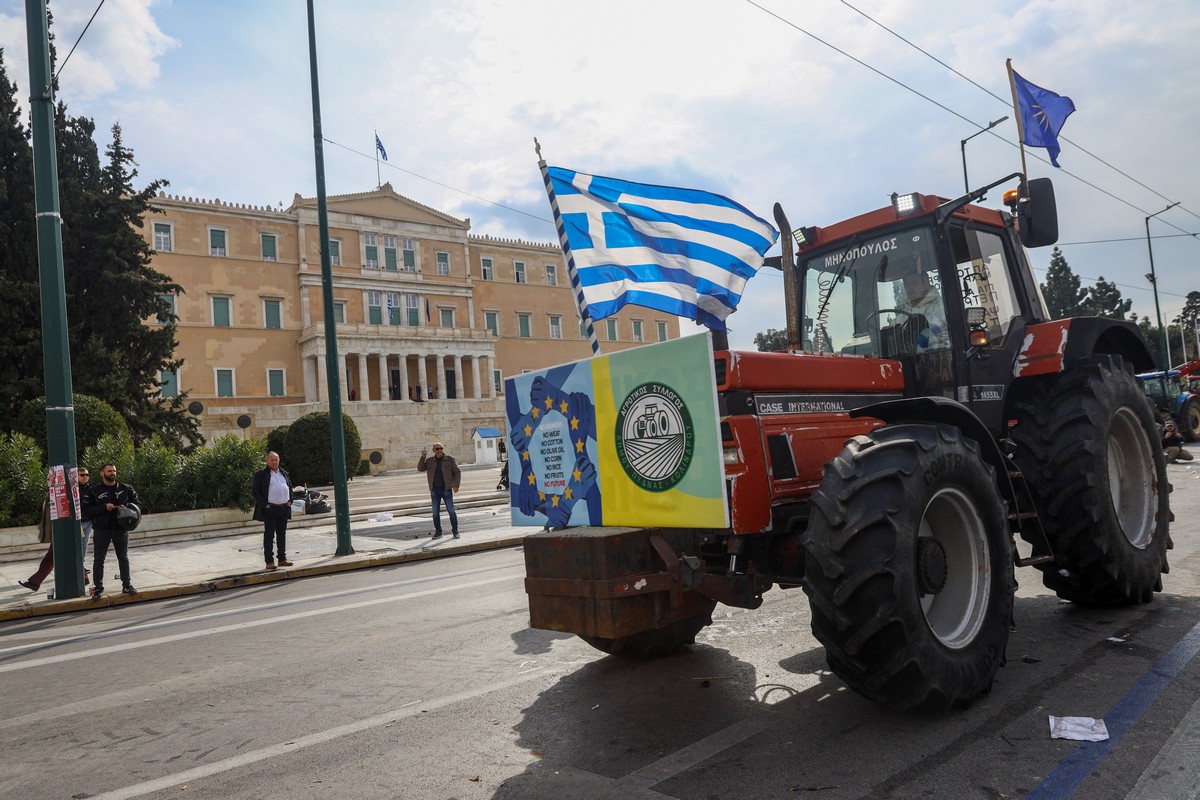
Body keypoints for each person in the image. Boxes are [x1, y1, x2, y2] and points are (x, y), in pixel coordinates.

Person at [84, 462, 140, 598]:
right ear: (102, 473)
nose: (112, 473)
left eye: (114, 471)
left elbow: (137, 505)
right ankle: (98, 588)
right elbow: (86, 510)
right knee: (99, 559)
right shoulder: (94, 490)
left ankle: (126, 585)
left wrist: (125, 507)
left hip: (121, 529)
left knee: (123, 557)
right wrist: (104, 507)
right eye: (109, 471)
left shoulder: (126, 488)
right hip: (101, 529)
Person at [252, 451, 294, 570]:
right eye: (272, 460)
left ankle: (282, 558)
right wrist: (265, 505)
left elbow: (290, 487)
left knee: (282, 534)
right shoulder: (261, 474)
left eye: (276, 460)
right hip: (270, 508)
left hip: (283, 508)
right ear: (267, 461)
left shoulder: (284, 473)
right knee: (269, 535)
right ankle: (269, 561)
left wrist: (290, 500)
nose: (274, 462)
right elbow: (256, 492)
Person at [417, 442, 461, 539]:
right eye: (437, 449)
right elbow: (420, 468)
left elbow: (457, 472)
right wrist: (423, 457)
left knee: (451, 511)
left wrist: (456, 484)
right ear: (433, 450)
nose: (439, 450)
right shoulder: (430, 461)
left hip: (446, 489)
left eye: (441, 448)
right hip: (434, 490)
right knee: (435, 512)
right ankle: (438, 532)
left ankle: (455, 531)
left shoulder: (449, 459)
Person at [899, 269, 949, 351]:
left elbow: (942, 332)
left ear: (926, 284)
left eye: (915, 283)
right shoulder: (901, 314)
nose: (910, 288)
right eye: (908, 285)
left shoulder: (941, 306)